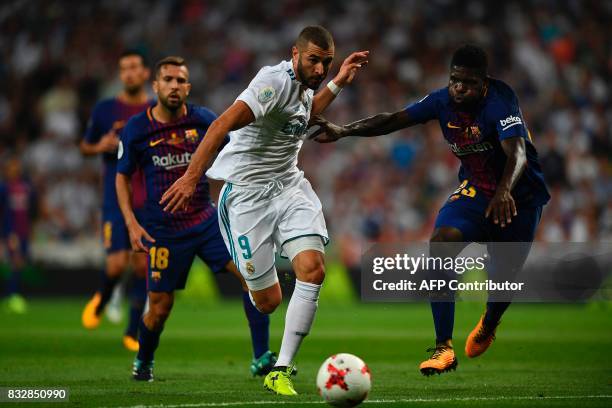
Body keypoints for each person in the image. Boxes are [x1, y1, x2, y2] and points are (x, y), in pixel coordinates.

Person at [311, 44, 550, 376]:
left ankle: (490, 322)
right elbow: (394, 119)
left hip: (518, 198)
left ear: (484, 83)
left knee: (501, 286)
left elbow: (519, 154)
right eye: (454, 80)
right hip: (477, 192)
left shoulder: (500, 100)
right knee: (441, 241)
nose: (458, 88)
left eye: (466, 82)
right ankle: (444, 348)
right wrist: (345, 130)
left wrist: (505, 191)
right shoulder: (441, 101)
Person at [160, 26, 368, 395]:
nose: (320, 69)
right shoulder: (272, 82)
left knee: (313, 269)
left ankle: (281, 369)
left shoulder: (306, 86)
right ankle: (266, 329)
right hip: (246, 197)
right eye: (314, 61)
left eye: (327, 63)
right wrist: (192, 177)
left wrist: (337, 84)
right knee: (267, 301)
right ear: (295, 54)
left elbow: (300, 119)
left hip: (289, 187)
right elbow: (223, 123)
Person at [116, 56, 276, 382]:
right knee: (160, 309)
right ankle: (143, 361)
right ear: (156, 85)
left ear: (188, 87)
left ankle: (261, 357)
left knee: (251, 279)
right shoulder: (137, 129)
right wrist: (132, 224)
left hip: (208, 222)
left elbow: (236, 148)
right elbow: (121, 177)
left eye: (181, 80)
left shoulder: (204, 120)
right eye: (168, 79)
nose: (175, 86)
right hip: (164, 231)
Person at [80, 50, 152, 351]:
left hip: (147, 196)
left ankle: (132, 331)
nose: (130, 73)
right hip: (114, 196)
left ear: (146, 73)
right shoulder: (105, 109)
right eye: (124, 69)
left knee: (140, 265)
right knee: (115, 265)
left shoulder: (154, 109)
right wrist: (101, 145)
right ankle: (104, 296)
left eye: (135, 67)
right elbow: (84, 146)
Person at [0, 156, 36, 314]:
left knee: (19, 263)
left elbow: (31, 211)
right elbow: (4, 213)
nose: (15, 170)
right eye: (12, 167)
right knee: (15, 262)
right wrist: (7, 234)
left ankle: (12, 294)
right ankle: (12, 295)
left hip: (24, 231)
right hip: (11, 232)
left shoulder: (25, 187)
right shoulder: (4, 188)